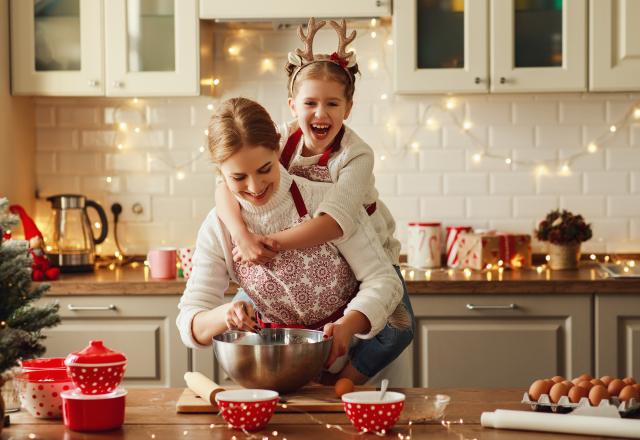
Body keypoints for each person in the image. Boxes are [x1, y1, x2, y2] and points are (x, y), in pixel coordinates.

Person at [214, 18, 415, 384]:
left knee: (399, 328)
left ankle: (345, 381)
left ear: (348, 108)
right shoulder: (279, 140)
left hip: (363, 247)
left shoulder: (356, 156)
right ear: (292, 105)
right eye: (310, 103)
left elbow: (335, 222)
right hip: (286, 252)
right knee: (254, 304)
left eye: (332, 103)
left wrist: (270, 244)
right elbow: (225, 185)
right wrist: (243, 237)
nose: (321, 114)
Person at [177, 97, 403, 380]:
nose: (255, 187)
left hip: (353, 371)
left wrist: (348, 325)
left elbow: (384, 280)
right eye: (238, 177)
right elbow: (190, 320)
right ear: (220, 174)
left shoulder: (326, 201)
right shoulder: (217, 228)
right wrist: (225, 315)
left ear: (277, 149)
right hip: (270, 373)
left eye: (264, 169)